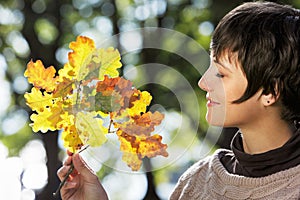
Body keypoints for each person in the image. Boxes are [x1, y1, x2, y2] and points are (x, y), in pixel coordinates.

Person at [57, 1, 300, 199]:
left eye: (221, 73)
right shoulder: (196, 183)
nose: (204, 82)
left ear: (270, 91)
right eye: (209, 66)